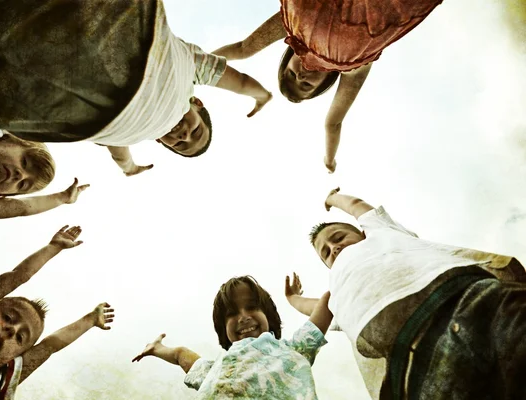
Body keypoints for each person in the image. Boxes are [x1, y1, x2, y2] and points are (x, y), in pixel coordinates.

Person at [0, 0, 272, 177]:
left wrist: (129, 167)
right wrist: (259, 94)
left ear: (159, 140)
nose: (182, 135)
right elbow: (234, 78)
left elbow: (118, 149)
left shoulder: (134, 134)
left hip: (81, 109)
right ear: (197, 103)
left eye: (178, 144)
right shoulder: (189, 76)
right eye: (195, 131)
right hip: (137, 39)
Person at [308, 187, 526, 399]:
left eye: (338, 238)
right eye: (326, 252)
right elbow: (319, 309)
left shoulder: (379, 232)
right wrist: (293, 299)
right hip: (414, 363)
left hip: (468, 299)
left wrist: (333, 198)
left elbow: (357, 206)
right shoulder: (338, 290)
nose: (333, 248)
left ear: (363, 233)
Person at [213, 1, 445, 173]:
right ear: (325, 83)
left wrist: (194, 65)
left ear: (287, 60)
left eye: (291, 74)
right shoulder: (353, 66)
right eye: (305, 84)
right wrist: (329, 160)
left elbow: (243, 49)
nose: (301, 75)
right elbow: (332, 123)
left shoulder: (293, 27)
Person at [0, 225, 114, 400]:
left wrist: (90, 320)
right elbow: (16, 277)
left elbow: (49, 346)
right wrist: (53, 247)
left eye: (20, 338)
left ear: (11, 358)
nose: (11, 330)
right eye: (8, 317)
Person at [132, 275, 332, 399]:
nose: (243, 317)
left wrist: (293, 298)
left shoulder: (292, 350)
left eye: (252, 307)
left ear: (269, 316)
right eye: (231, 313)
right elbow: (181, 356)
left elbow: (328, 304)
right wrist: (156, 348)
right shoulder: (217, 369)